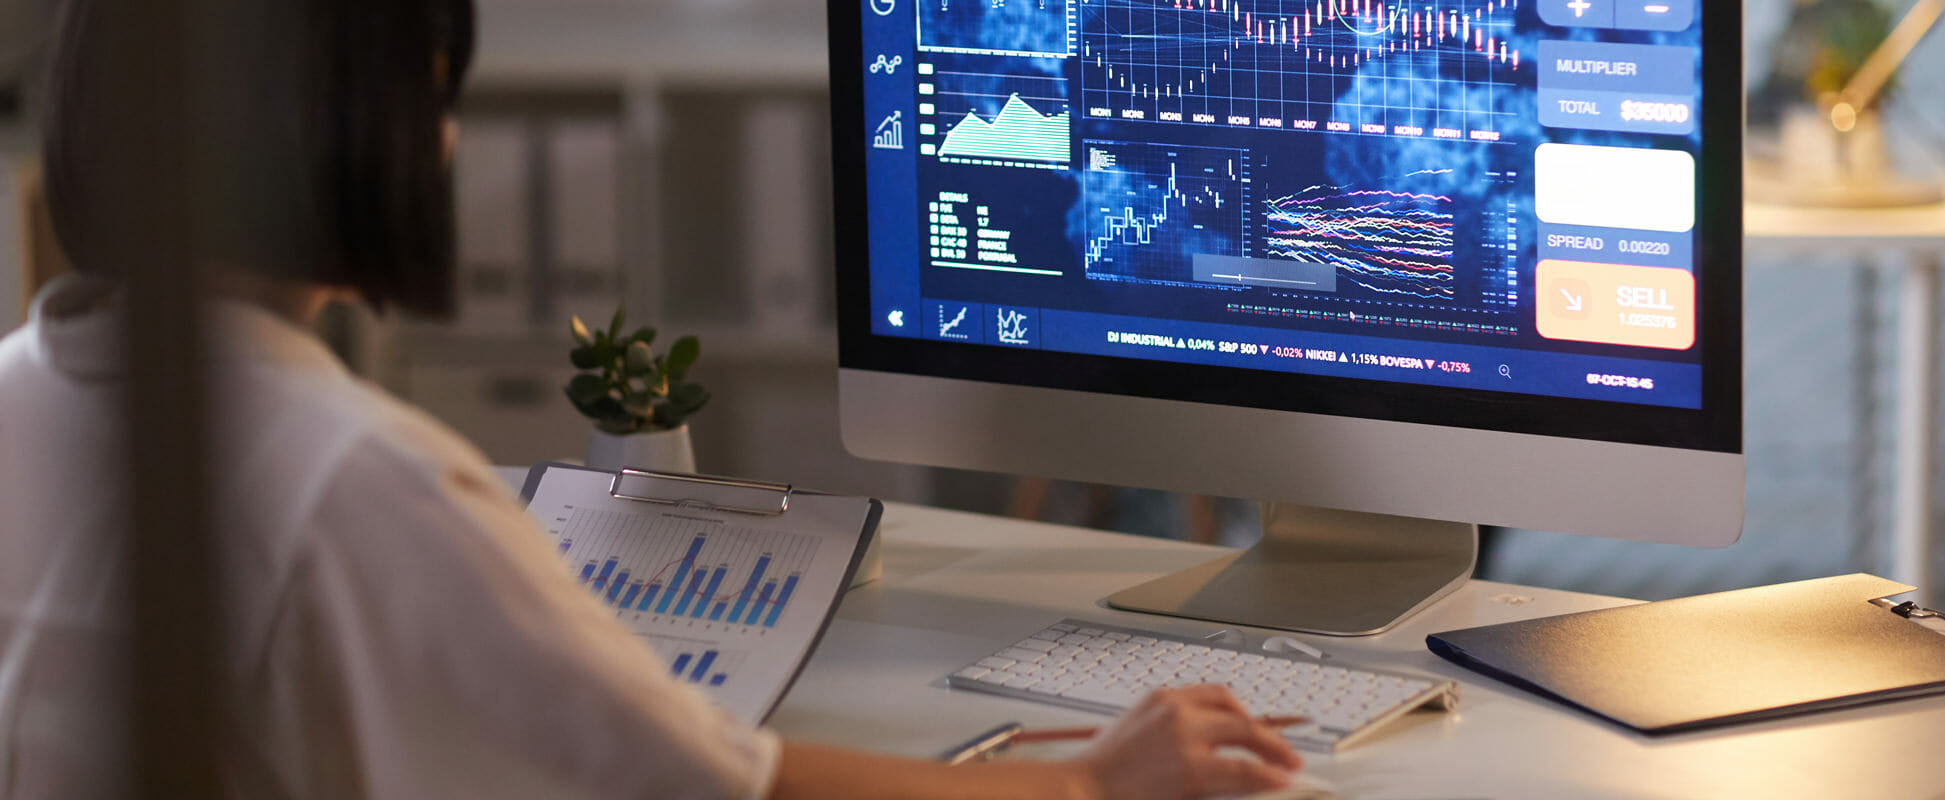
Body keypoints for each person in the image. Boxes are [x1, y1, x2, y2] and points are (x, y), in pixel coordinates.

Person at [0, 2, 1304, 798]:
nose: (447, 141)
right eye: (434, 100)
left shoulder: (21, 393)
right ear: (358, 131)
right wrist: (1086, 783)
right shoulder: (356, 483)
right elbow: (717, 785)